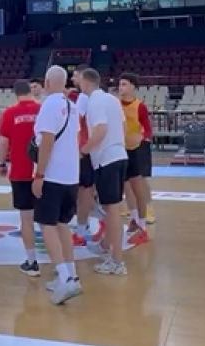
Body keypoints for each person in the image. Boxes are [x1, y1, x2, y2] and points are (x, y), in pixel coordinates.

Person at [32, 65, 81, 305]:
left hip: (53, 175)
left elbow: (47, 142)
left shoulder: (49, 106)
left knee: (47, 225)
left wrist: (39, 174)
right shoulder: (72, 106)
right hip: (71, 175)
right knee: (63, 225)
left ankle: (65, 278)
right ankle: (72, 274)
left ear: (47, 82)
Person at [79, 68, 129, 276]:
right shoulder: (112, 100)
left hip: (106, 159)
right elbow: (123, 127)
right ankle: (106, 245)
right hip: (120, 155)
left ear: (86, 82)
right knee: (113, 208)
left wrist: (84, 150)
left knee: (112, 210)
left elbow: (100, 129)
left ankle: (117, 261)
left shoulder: (94, 102)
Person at [0, 80, 41, 276]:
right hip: (44, 172)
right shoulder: (43, 109)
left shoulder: (10, 113)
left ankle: (32, 262)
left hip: (21, 172)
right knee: (51, 219)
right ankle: (61, 264)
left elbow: (3, 142)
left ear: (15, 93)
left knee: (26, 218)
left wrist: (1, 164)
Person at [119, 73, 153, 245]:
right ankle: (134, 219)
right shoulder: (116, 104)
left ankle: (143, 228)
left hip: (135, 150)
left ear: (133, 86)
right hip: (121, 150)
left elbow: (148, 129)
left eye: (124, 84)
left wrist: (142, 137)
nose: (121, 87)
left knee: (138, 190)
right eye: (120, 84)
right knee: (126, 188)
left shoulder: (140, 106)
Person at [69, 65, 98, 247]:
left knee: (84, 191)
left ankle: (81, 230)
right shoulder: (98, 98)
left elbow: (76, 124)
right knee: (88, 190)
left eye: (75, 76)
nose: (73, 79)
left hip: (84, 149)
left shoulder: (83, 98)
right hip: (94, 149)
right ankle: (85, 224)